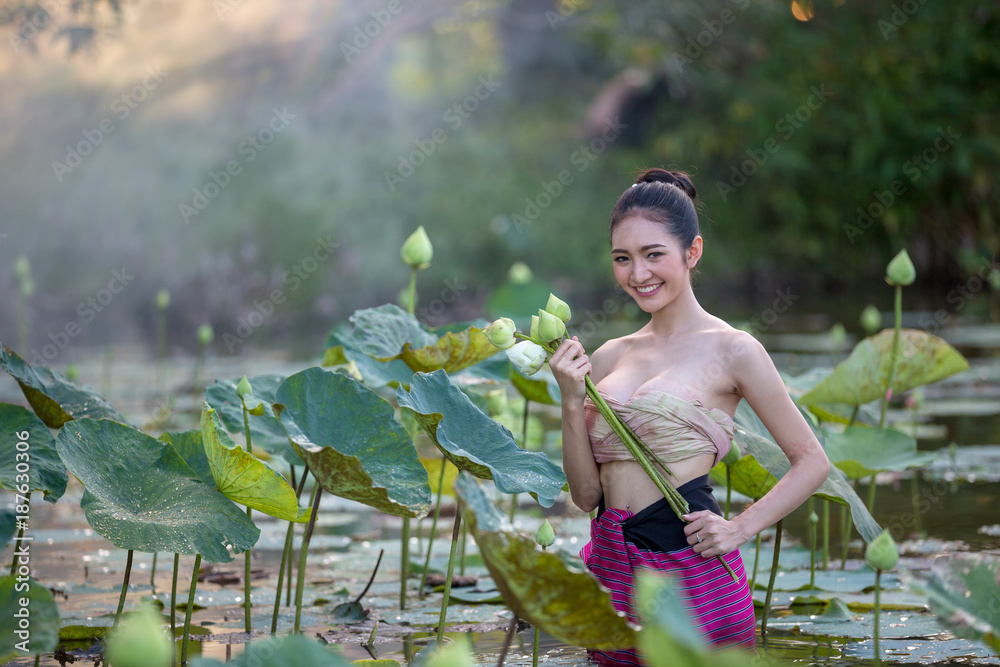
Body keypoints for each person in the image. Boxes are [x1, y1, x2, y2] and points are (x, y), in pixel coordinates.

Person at [548, 167, 831, 663]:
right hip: (613, 570)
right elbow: (586, 494)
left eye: (653, 254)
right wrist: (571, 399)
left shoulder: (734, 350)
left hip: (693, 571)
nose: (638, 274)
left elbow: (811, 460)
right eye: (623, 258)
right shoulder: (610, 355)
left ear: (692, 252)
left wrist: (739, 528)